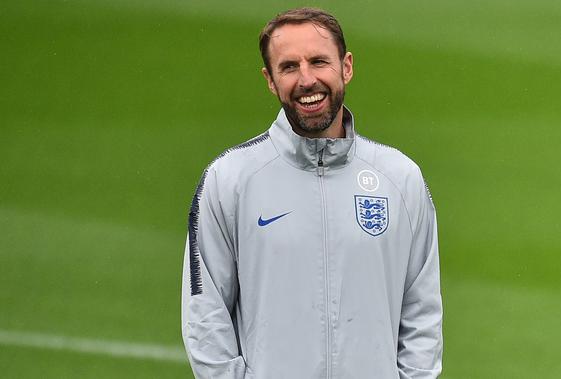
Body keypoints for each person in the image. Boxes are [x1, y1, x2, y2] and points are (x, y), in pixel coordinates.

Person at [181, 7, 442, 378]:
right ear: (270, 79)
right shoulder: (230, 180)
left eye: (319, 61)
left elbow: (422, 311)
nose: (307, 79)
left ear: (346, 67)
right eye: (289, 67)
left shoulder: (400, 179)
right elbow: (205, 315)